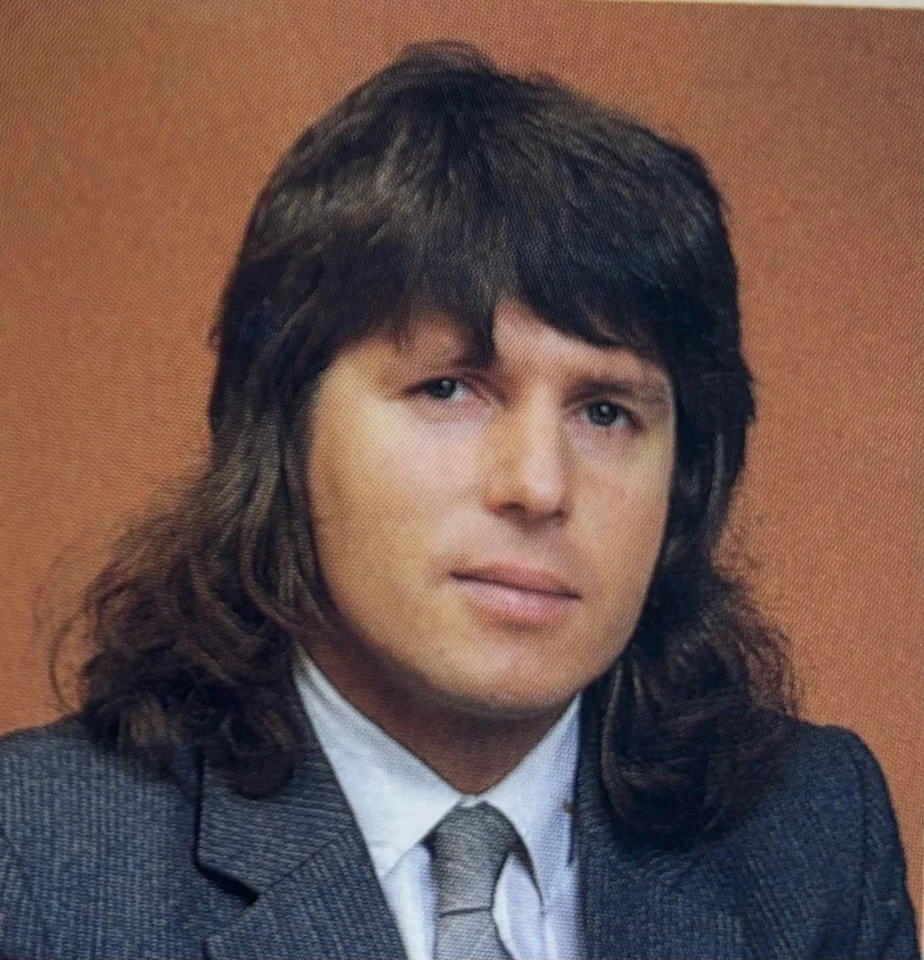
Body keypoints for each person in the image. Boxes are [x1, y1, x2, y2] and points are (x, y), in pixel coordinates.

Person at [0, 40, 917, 960]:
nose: (538, 486)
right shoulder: (38, 857)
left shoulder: (815, 833)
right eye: (450, 389)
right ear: (280, 428)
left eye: (605, 411)